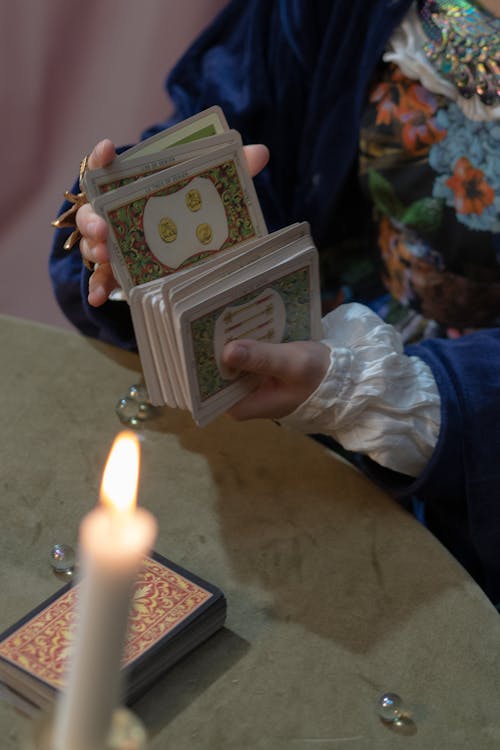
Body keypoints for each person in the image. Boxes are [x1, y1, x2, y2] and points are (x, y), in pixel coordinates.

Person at [50, 0, 500, 607]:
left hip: (468, 436)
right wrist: (141, 235)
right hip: (286, 346)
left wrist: (383, 395)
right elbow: (239, 124)